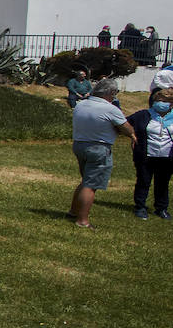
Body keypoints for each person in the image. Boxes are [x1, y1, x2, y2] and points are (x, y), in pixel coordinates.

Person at [68, 79, 136, 228]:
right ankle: (82, 221)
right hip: (99, 148)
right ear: (111, 93)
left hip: (79, 144)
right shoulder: (110, 109)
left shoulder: (82, 105)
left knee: (86, 179)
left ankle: (73, 211)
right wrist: (132, 135)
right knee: (91, 185)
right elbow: (126, 128)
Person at [127, 88, 173, 220]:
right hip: (145, 155)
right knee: (143, 181)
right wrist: (132, 135)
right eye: (158, 100)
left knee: (163, 183)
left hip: (167, 157)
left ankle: (161, 208)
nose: (161, 103)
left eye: (165, 101)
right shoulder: (143, 115)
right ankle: (140, 207)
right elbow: (124, 123)